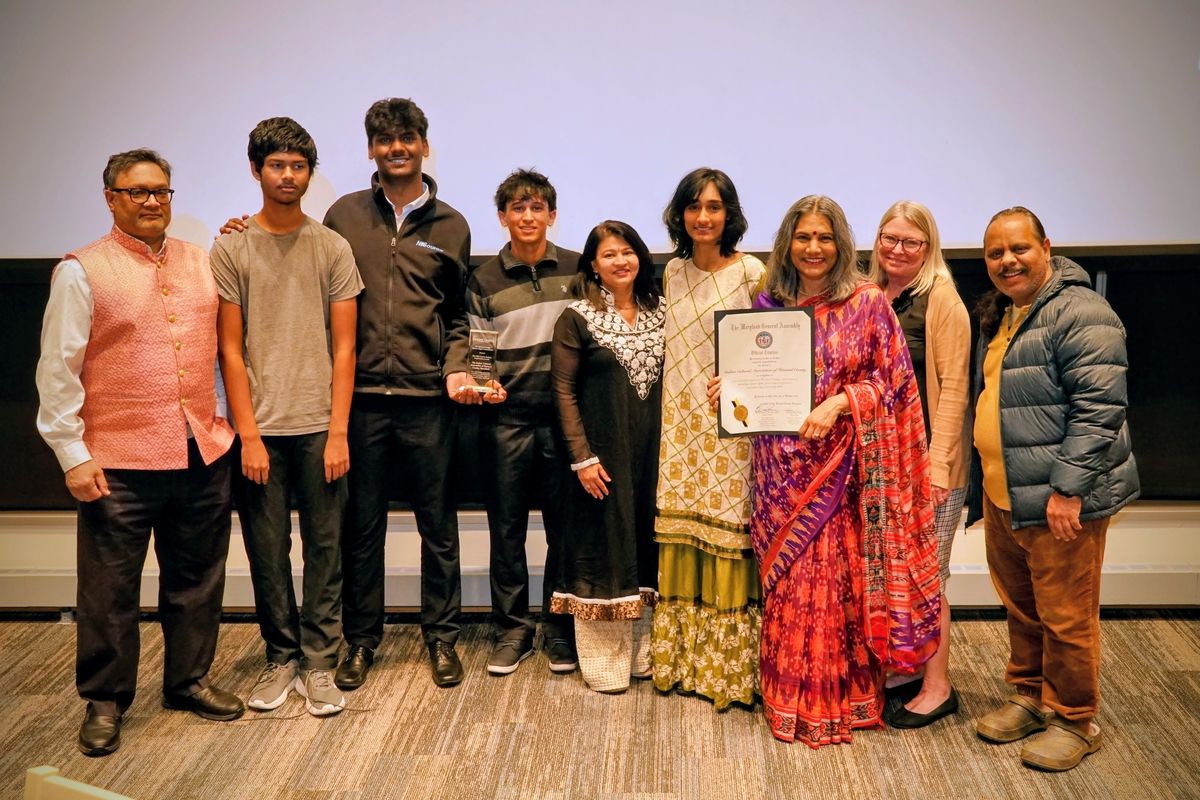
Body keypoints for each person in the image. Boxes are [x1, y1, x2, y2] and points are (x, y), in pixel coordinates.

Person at [221, 98, 472, 689]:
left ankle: (441, 638)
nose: (396, 148)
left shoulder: (453, 224)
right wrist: (237, 228)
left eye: (407, 138)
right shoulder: (343, 216)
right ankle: (361, 641)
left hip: (428, 399)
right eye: (385, 140)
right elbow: (296, 263)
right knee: (361, 530)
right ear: (370, 150)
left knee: (439, 524)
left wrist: (457, 366)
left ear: (423, 145)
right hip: (357, 401)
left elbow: (459, 315)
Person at [35, 149, 243, 756]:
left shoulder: (202, 263)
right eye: (137, 192)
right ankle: (105, 700)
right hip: (117, 459)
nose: (152, 201)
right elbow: (58, 370)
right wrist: (72, 453)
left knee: (197, 580)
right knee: (109, 589)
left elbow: (219, 355)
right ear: (111, 199)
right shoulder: (82, 270)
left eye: (161, 191)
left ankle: (187, 681)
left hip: (200, 451)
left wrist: (225, 425)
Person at [737, 195, 941, 746]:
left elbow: (894, 383)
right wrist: (729, 390)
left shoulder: (868, 302)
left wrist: (842, 402)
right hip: (779, 471)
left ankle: (838, 700)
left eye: (824, 238)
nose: (813, 248)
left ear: (841, 243)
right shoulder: (766, 304)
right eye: (803, 237)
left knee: (834, 584)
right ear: (787, 243)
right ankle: (788, 699)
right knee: (787, 583)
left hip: (842, 472)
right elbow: (754, 382)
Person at [968, 207, 1138, 771]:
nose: (1006, 261)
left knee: (1066, 614)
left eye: (1018, 249)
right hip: (1006, 493)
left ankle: (1074, 718)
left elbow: (1100, 408)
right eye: (995, 253)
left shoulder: (1081, 311)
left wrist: (1067, 490)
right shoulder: (1009, 312)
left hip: (1059, 501)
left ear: (1046, 246)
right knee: (1022, 607)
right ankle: (1030, 697)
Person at [212, 118, 362, 716]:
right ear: (256, 170)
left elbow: (345, 347)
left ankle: (320, 661)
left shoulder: (332, 247)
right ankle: (282, 656)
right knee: (266, 550)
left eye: (299, 166)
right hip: (261, 433)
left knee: (326, 549)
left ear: (309, 173)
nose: (288, 175)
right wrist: (248, 435)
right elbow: (229, 347)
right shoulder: (232, 246)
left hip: (322, 427)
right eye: (277, 165)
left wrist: (338, 431)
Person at [650, 168, 764, 709]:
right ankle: (680, 662)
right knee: (681, 533)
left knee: (728, 536)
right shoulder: (671, 272)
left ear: (729, 214)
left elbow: (776, 352)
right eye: (694, 206)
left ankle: (729, 673)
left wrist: (741, 381)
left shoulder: (752, 274)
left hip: (731, 431)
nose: (703, 216)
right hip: (679, 428)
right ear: (680, 213)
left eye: (714, 206)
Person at [465, 169, 581, 675]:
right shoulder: (484, 280)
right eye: (518, 208)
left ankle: (558, 629)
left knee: (564, 529)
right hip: (505, 420)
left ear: (552, 216)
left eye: (537, 208)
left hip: (562, 421)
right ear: (503, 217)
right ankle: (512, 629)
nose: (528, 216)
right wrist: (481, 381)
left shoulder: (579, 270)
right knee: (506, 529)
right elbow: (477, 348)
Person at [865, 201, 971, 729]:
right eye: (889, 238)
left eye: (910, 242)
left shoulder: (941, 300)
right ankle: (904, 671)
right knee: (891, 575)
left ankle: (938, 685)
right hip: (879, 465)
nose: (897, 250)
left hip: (927, 468)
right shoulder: (871, 296)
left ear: (928, 248)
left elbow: (954, 391)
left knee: (930, 578)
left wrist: (939, 468)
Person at [550, 221, 665, 693]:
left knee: (646, 547)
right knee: (604, 550)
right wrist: (582, 458)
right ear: (593, 265)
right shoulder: (576, 317)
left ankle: (642, 652)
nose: (620, 261)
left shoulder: (663, 312)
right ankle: (602, 662)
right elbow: (562, 391)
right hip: (601, 460)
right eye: (609, 254)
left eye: (628, 252)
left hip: (654, 457)